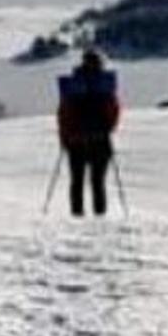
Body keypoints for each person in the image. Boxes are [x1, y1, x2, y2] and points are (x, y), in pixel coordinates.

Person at [55, 44, 123, 217]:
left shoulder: (73, 85)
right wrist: (108, 129)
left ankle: (77, 215)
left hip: (75, 141)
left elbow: (63, 114)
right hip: (100, 140)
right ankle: (99, 216)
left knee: (76, 181)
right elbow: (114, 112)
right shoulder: (105, 86)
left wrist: (64, 138)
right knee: (97, 181)